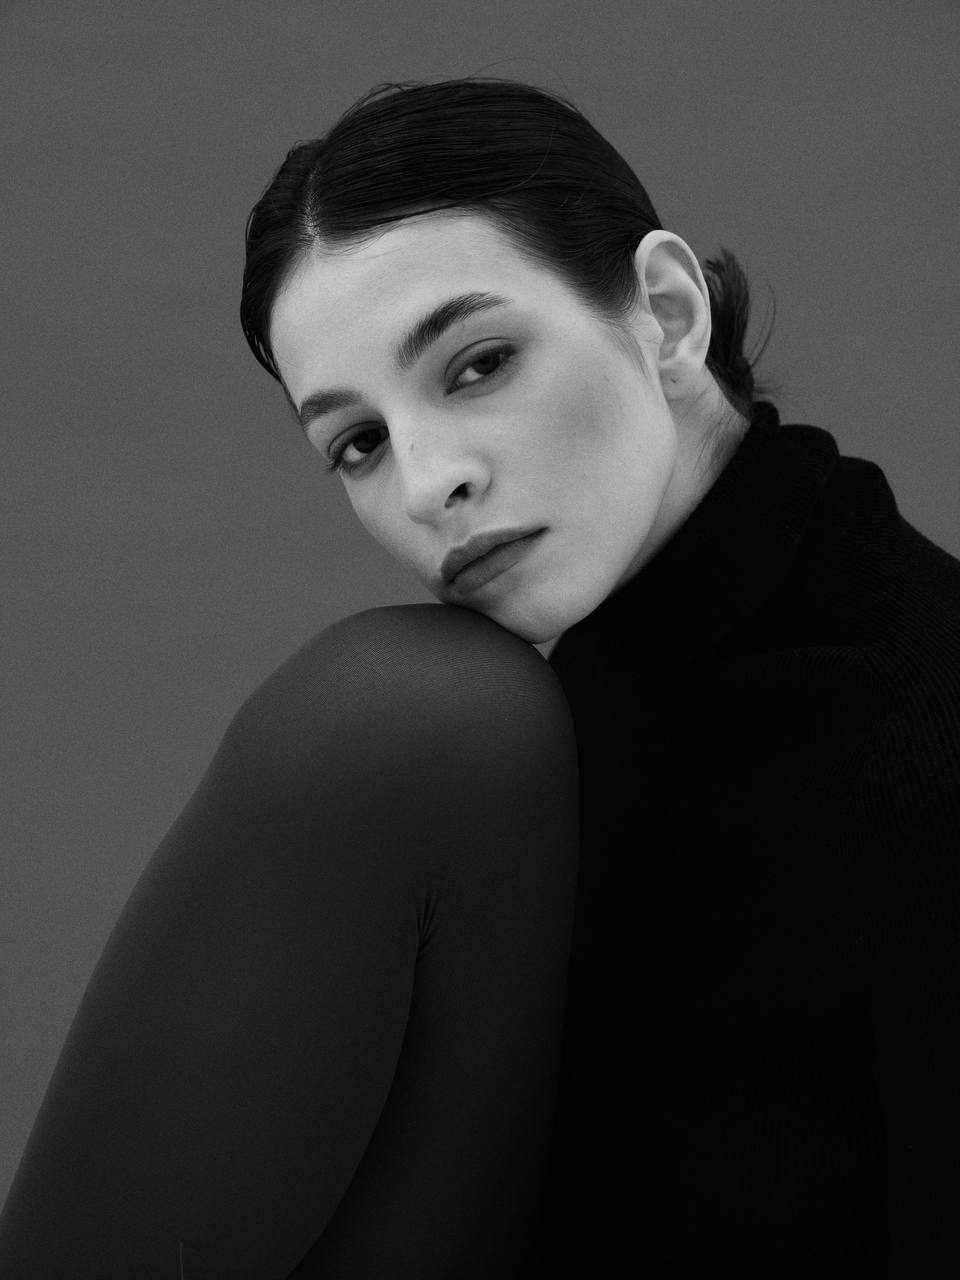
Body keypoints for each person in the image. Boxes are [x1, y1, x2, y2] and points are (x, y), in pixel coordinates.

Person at [1, 75, 958, 1279]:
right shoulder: (556, 707)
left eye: (478, 363)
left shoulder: (922, 739)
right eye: (358, 441)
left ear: (666, 314)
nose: (425, 484)